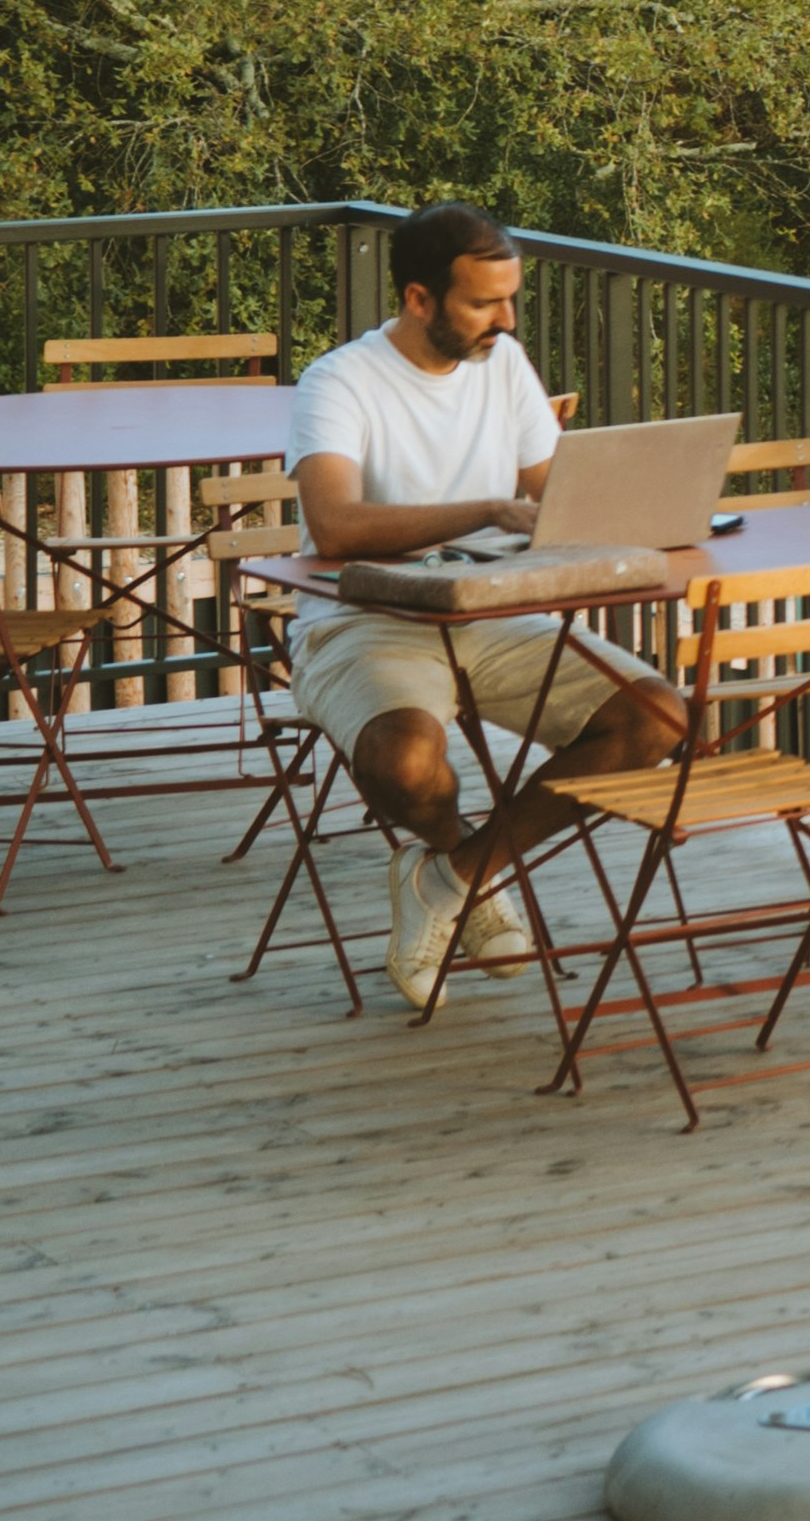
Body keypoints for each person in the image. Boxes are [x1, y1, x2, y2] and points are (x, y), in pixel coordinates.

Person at [291, 204, 688, 1007]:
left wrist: (648, 502)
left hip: (494, 610)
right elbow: (334, 525)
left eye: (511, 301)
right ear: (418, 299)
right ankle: (460, 863)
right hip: (369, 616)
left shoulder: (503, 364)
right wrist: (485, 508)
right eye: (484, 303)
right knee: (403, 763)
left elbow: (553, 494)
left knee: (659, 718)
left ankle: (451, 879)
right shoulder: (338, 380)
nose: (506, 322)